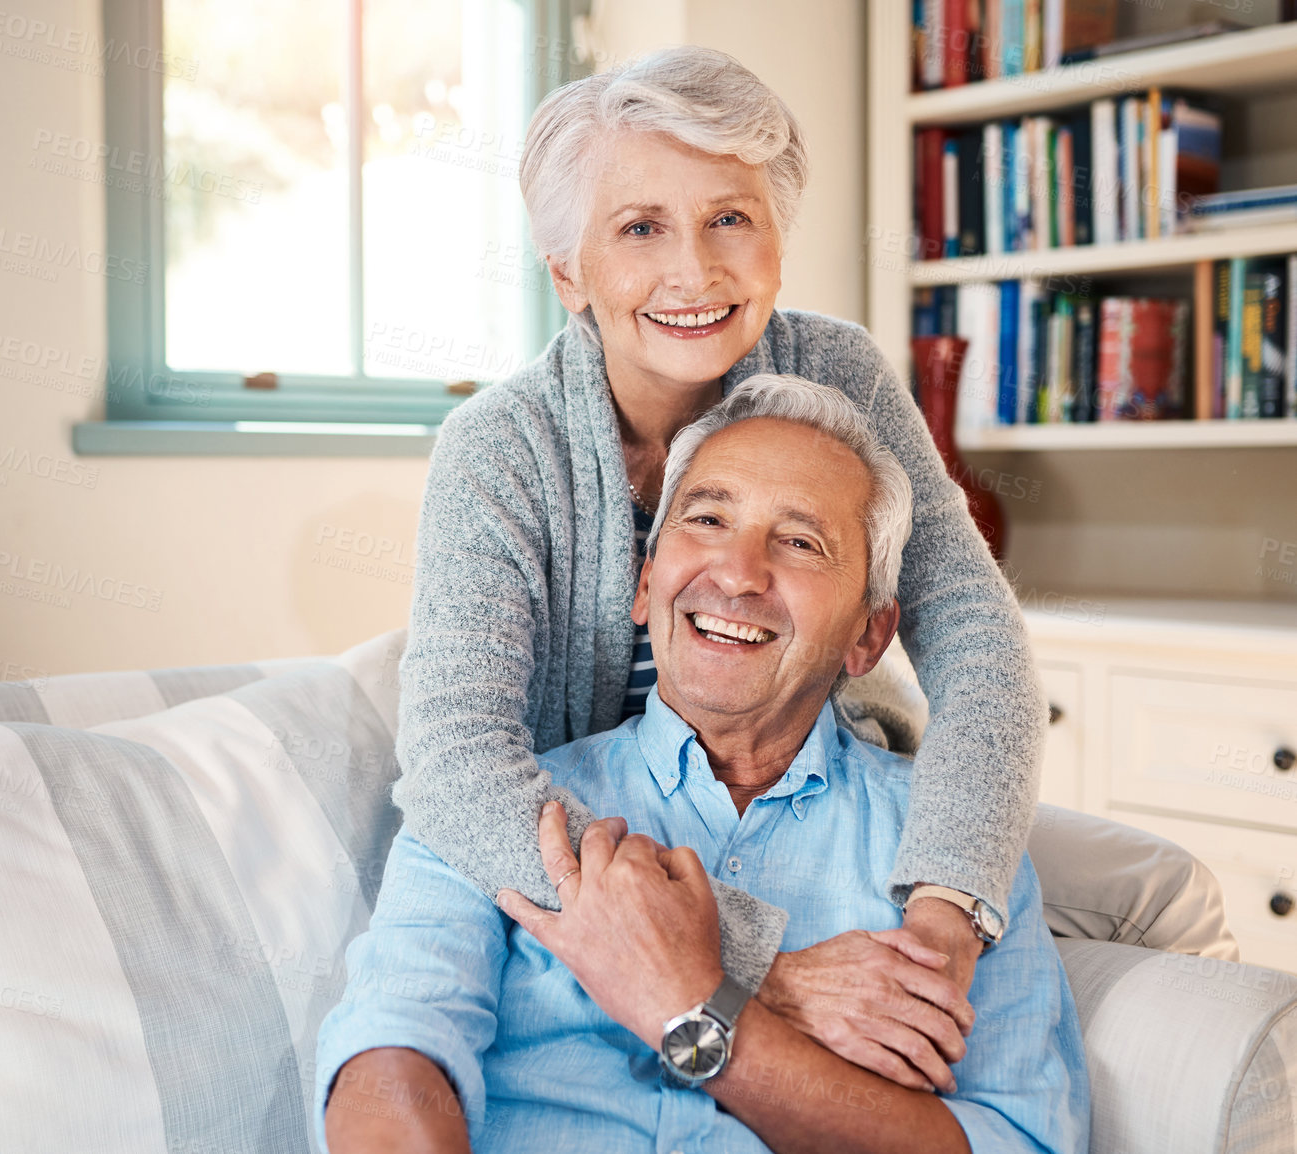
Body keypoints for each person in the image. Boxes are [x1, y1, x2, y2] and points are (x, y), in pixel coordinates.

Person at [393, 46, 1046, 1068]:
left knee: (1127, 882)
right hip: (597, 834)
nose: (693, 272)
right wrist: (746, 964)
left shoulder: (835, 371)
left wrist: (942, 918)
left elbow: (975, 637)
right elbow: (454, 763)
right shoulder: (499, 449)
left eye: (728, 218)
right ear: (568, 270)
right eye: (639, 227)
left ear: (777, 237)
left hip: (816, 805)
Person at [320, 375, 1088, 1154]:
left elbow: (1012, 1139)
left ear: (869, 635)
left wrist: (692, 1005)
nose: (737, 572)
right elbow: (389, 1065)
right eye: (708, 518)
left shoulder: (951, 864)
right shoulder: (495, 809)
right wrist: (761, 991)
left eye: (799, 542)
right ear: (645, 584)